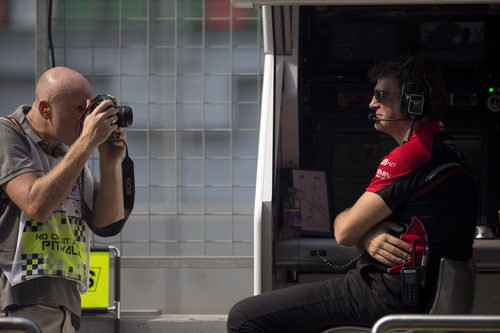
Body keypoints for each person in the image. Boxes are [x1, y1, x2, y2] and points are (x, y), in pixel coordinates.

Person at [226, 55, 478, 333]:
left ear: (412, 102)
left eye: (381, 95)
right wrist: (367, 238)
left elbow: (344, 231)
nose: (372, 103)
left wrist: (361, 233)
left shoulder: (412, 155)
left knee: (244, 317)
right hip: (409, 296)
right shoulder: (449, 151)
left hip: (384, 296)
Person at [0, 66, 129, 332]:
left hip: (66, 305)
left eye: (89, 110)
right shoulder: (8, 135)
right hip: (17, 304)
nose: (87, 121)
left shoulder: (69, 152)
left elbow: (107, 221)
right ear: (46, 109)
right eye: (79, 112)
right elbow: (35, 205)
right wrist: (85, 144)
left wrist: (109, 161)